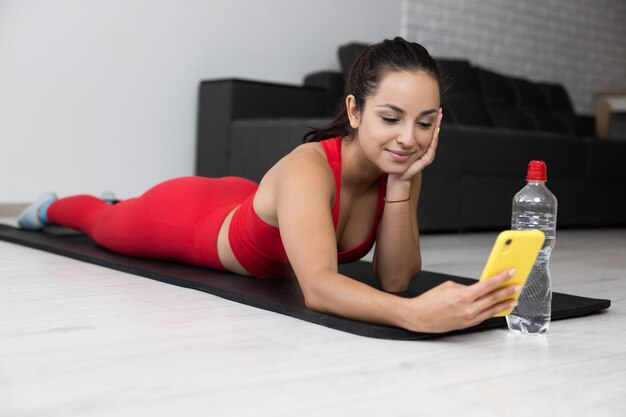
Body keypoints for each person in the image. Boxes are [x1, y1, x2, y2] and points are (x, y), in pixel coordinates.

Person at [18, 37, 520, 333]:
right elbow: (319, 289)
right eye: (391, 117)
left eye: (426, 122)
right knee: (102, 221)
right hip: (190, 220)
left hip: (253, 201)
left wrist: (401, 185)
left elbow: (393, 277)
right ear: (354, 110)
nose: (409, 139)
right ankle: (52, 206)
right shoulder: (309, 167)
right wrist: (413, 316)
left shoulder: (401, 164)